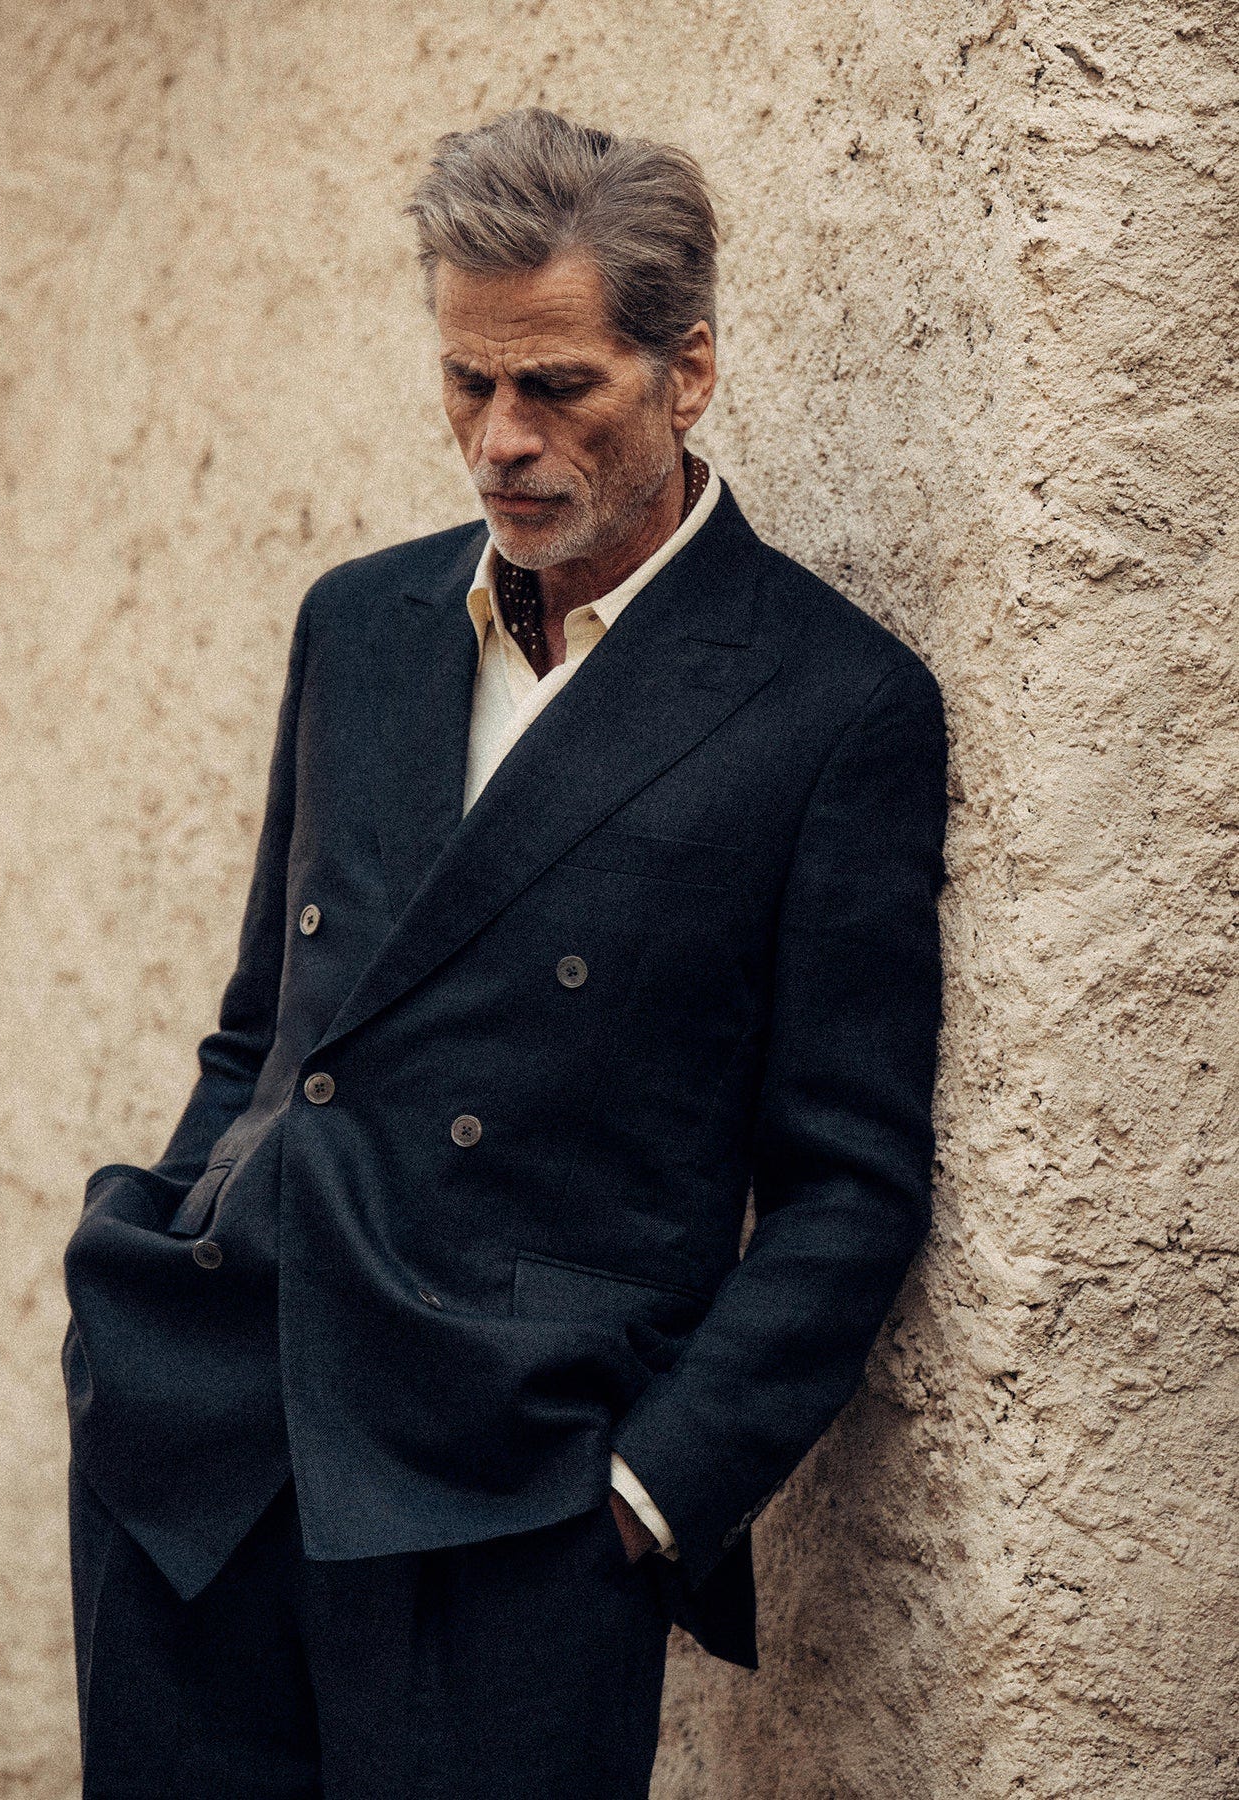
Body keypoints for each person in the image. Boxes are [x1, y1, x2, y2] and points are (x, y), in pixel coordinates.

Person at [61, 105, 949, 1798]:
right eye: (466, 382)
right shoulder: (361, 623)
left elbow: (847, 1182)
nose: (500, 440)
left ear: (687, 373)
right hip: (206, 1442)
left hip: (507, 1501)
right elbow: (265, 1028)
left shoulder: (830, 706)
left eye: (556, 386)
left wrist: (650, 1497)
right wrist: (147, 1282)